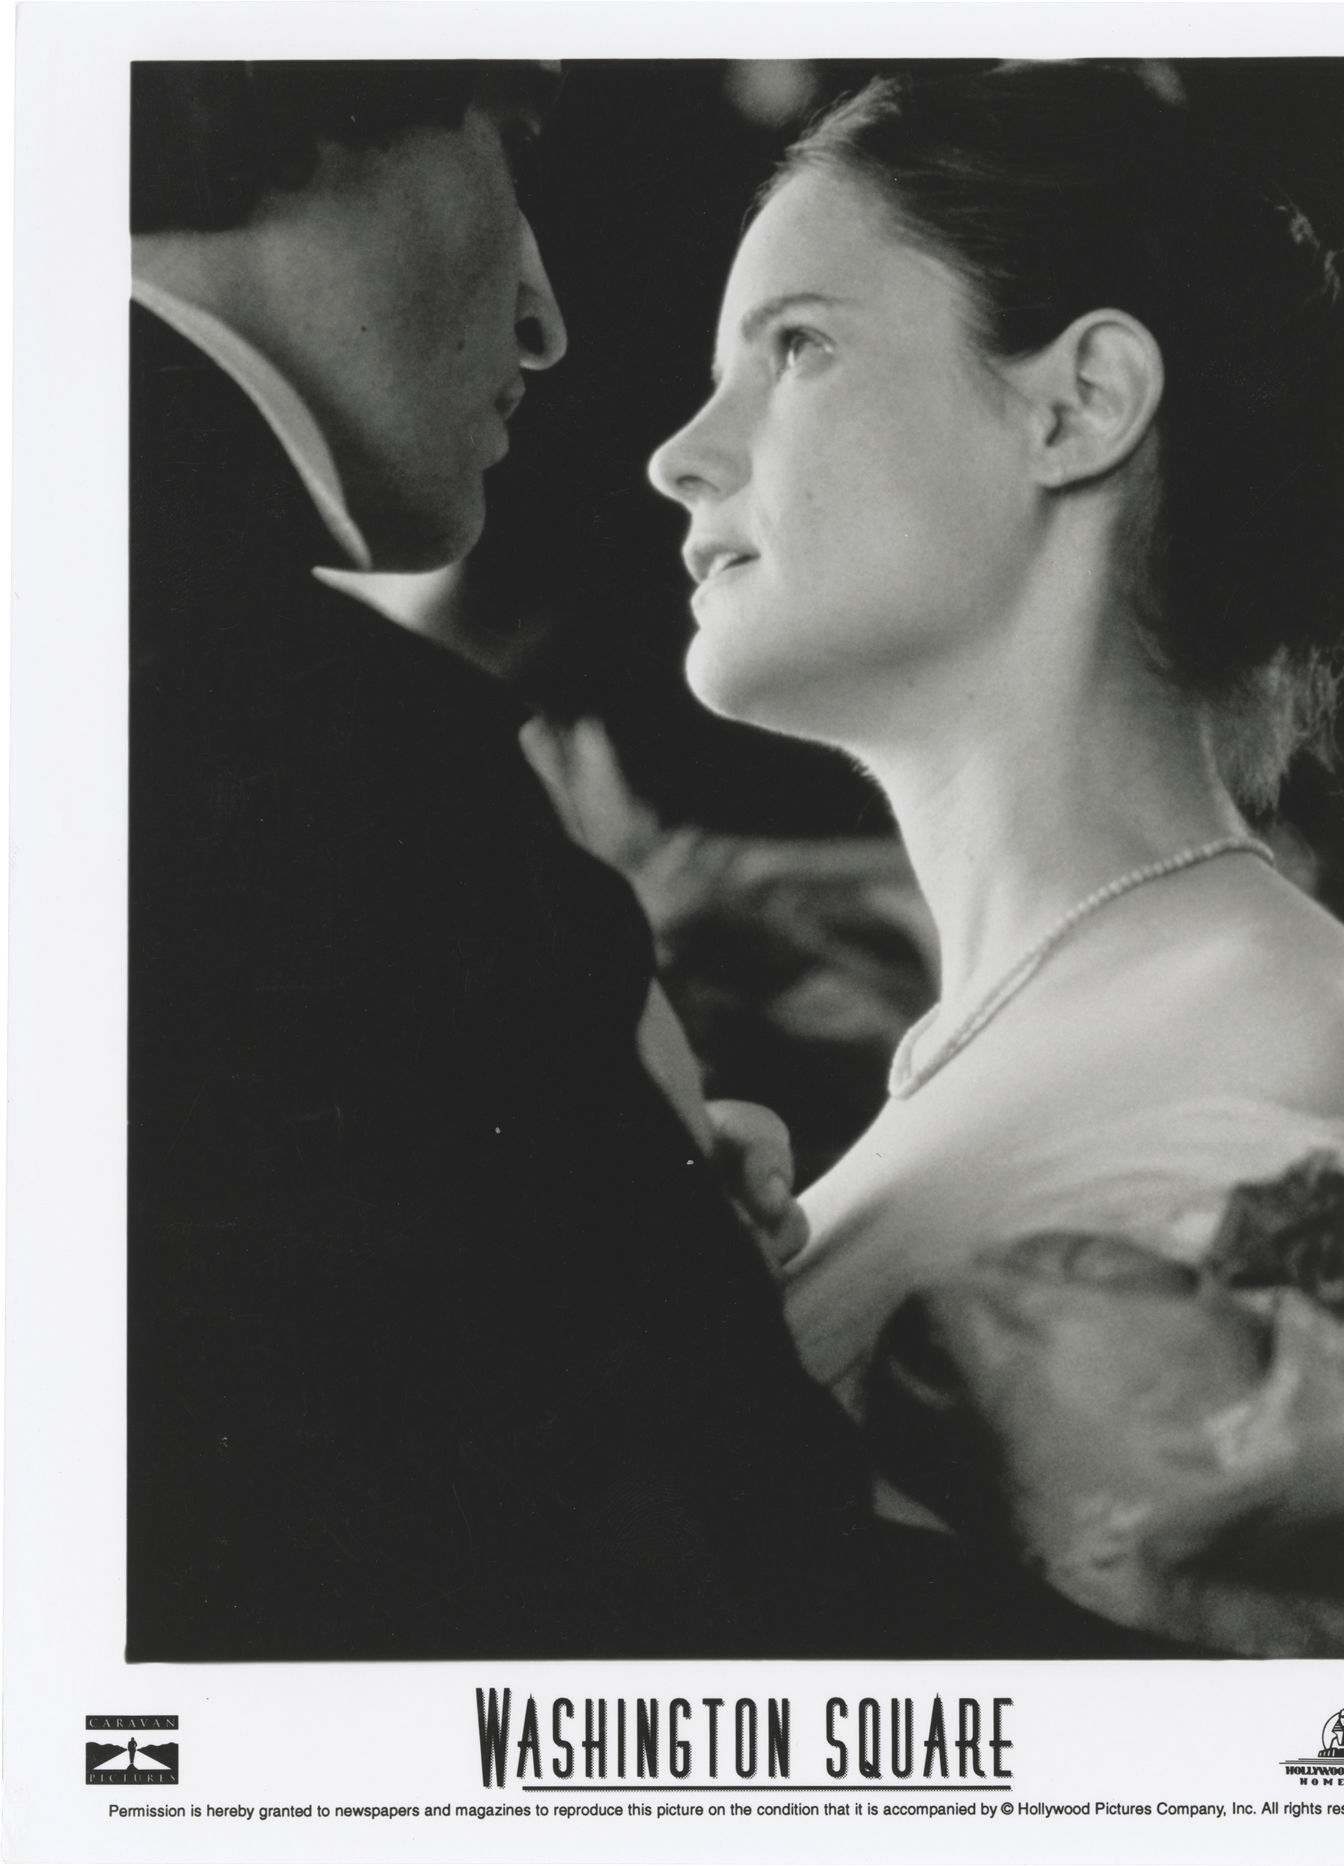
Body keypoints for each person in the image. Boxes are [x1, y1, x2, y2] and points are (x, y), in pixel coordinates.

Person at [128, 59, 879, 1660]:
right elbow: (739, 1579)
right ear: (308, 96)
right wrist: (659, 1289)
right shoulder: (338, 739)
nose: (544, 318)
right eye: (512, 151)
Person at [649, 61, 1344, 1656]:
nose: (680, 454)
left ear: (1077, 404)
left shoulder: (1288, 1047)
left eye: (795, 347)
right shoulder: (1048, 1036)